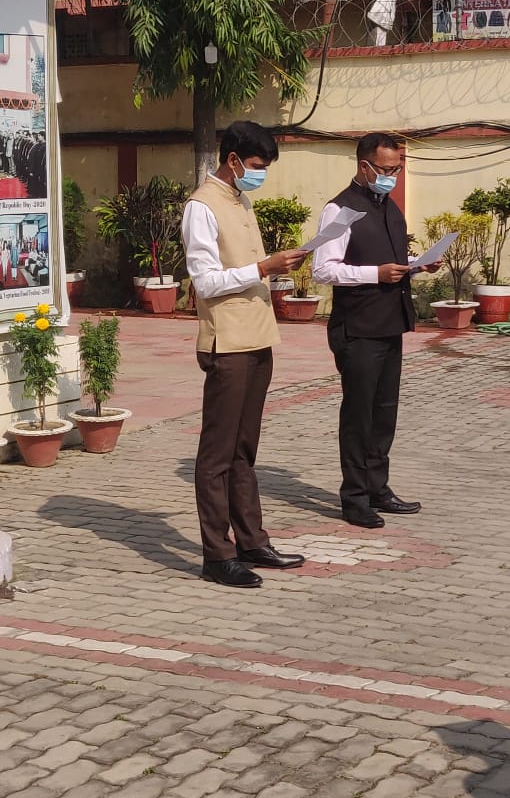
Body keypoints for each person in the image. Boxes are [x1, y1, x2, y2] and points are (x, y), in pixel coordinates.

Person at [182, 120, 306, 589]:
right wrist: (264, 266)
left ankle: (251, 540)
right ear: (233, 160)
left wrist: (272, 266)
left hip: (257, 337)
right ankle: (217, 554)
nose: (260, 175)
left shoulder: (240, 198)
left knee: (244, 450)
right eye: (256, 166)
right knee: (216, 455)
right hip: (226, 342)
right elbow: (206, 281)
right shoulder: (201, 206)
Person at [313, 132, 441, 530]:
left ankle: (377, 488)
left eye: (396, 170)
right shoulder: (340, 209)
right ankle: (354, 498)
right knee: (359, 414)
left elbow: (390, 259)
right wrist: (375, 274)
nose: (391, 177)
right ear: (363, 166)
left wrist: (419, 263)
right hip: (358, 327)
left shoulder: (389, 207)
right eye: (385, 170)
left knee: (384, 413)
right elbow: (322, 269)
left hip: (390, 322)